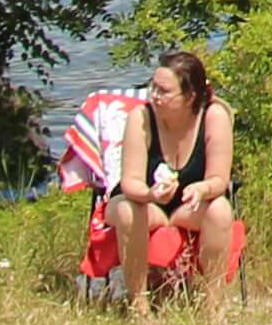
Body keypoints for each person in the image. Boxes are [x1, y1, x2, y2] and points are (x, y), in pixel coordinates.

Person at [104, 49, 246, 306]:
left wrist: (202, 189)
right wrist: (150, 194)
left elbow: (219, 178)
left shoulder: (214, 116)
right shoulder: (142, 117)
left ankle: (214, 307)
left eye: (164, 91)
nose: (154, 96)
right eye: (153, 88)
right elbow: (130, 182)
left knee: (221, 211)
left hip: (191, 204)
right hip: (145, 201)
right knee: (127, 209)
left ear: (190, 96)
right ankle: (139, 304)